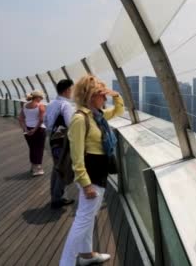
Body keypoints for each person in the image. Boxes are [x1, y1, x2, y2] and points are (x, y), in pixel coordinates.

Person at [60, 76, 123, 266]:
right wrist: (86, 185)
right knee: (82, 221)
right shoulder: (80, 119)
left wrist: (116, 95)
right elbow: (77, 158)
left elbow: (119, 110)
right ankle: (66, 263)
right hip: (91, 176)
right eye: (102, 95)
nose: (105, 99)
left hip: (99, 173)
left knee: (88, 218)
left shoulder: (97, 116)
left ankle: (87, 255)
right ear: (91, 95)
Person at [44, 79, 75, 209]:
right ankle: (57, 199)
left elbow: (45, 121)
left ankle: (55, 196)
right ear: (67, 90)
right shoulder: (66, 105)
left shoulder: (51, 104)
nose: (72, 92)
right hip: (63, 141)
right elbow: (70, 124)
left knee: (57, 167)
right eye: (71, 89)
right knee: (63, 168)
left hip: (52, 139)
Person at [19, 90, 46, 176]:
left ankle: (33, 166)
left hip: (27, 130)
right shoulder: (40, 106)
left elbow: (20, 118)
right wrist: (34, 130)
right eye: (41, 97)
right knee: (39, 148)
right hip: (38, 130)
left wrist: (25, 129)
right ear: (37, 97)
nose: (41, 99)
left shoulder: (24, 105)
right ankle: (37, 169)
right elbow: (41, 120)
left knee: (32, 148)